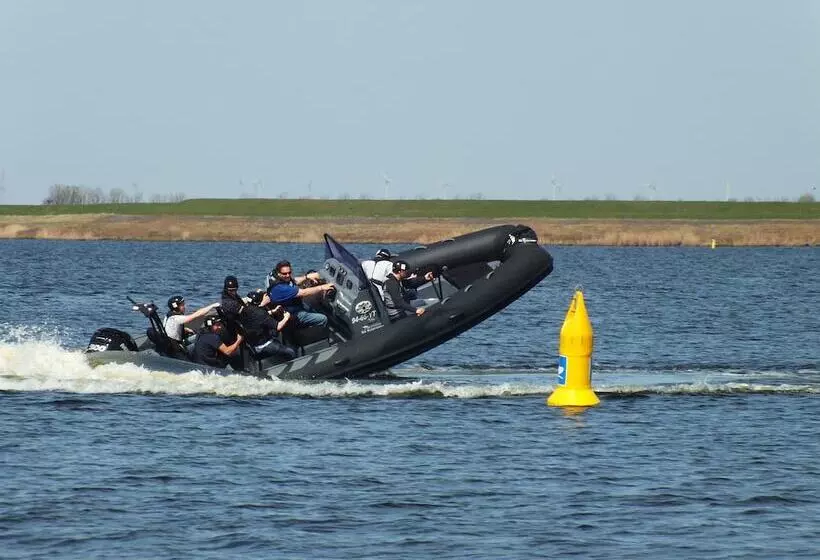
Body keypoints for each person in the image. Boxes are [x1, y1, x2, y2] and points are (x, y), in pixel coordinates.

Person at [267, 260, 335, 328]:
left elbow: (293, 281)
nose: (288, 275)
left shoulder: (275, 277)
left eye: (289, 273)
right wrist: (322, 287)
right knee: (323, 318)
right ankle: (312, 335)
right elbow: (303, 292)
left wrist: (307, 277)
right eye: (285, 274)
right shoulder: (281, 288)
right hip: (290, 314)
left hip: (288, 306)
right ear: (279, 273)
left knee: (312, 306)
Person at [241, 289, 297, 361]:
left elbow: (257, 316)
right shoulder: (260, 313)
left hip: (253, 343)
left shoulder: (245, 310)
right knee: (291, 352)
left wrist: (273, 311)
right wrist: (286, 317)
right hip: (264, 345)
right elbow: (278, 326)